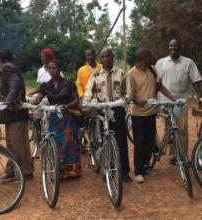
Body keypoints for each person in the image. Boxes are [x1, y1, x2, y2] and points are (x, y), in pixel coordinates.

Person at [127, 48, 176, 183]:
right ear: (142, 59)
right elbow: (129, 94)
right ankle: (138, 172)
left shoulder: (152, 70)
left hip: (151, 113)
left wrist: (173, 97)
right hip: (138, 114)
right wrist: (138, 101)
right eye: (148, 57)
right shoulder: (131, 74)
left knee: (149, 142)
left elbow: (160, 86)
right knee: (139, 143)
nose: (151, 59)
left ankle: (146, 167)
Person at [83, 48, 132, 182]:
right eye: (103, 56)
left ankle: (124, 172)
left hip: (117, 110)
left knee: (121, 140)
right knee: (105, 141)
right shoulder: (96, 75)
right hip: (102, 111)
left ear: (113, 57)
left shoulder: (122, 73)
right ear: (101, 59)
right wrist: (86, 102)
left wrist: (124, 100)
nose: (106, 59)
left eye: (108, 56)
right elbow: (88, 91)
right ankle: (108, 170)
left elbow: (128, 93)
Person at [155, 39, 202, 165]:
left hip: (181, 102)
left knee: (182, 129)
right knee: (169, 129)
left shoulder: (188, 63)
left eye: (175, 46)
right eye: (171, 46)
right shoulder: (160, 63)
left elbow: (196, 81)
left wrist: (200, 97)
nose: (173, 48)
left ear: (180, 47)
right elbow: (156, 83)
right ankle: (172, 156)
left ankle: (183, 156)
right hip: (165, 102)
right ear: (168, 47)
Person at [33, 59, 81, 178]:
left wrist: (67, 106)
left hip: (67, 116)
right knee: (55, 142)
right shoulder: (46, 85)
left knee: (69, 143)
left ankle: (71, 171)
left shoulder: (68, 82)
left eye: (54, 68)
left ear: (59, 69)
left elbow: (76, 99)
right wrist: (27, 104)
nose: (52, 70)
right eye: (49, 68)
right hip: (53, 118)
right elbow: (37, 99)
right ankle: (57, 169)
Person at [0, 49, 34, 180]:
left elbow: (15, 85)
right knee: (12, 144)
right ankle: (13, 170)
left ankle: (25, 171)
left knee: (18, 144)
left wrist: (8, 101)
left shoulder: (7, 68)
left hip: (15, 112)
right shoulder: (13, 67)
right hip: (12, 113)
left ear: (1, 59)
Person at [77, 49, 102, 151]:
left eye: (91, 55)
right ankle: (87, 138)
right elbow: (79, 85)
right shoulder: (81, 70)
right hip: (87, 99)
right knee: (86, 120)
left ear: (95, 55)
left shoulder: (101, 67)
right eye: (87, 55)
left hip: (100, 98)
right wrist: (82, 96)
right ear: (85, 57)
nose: (90, 57)